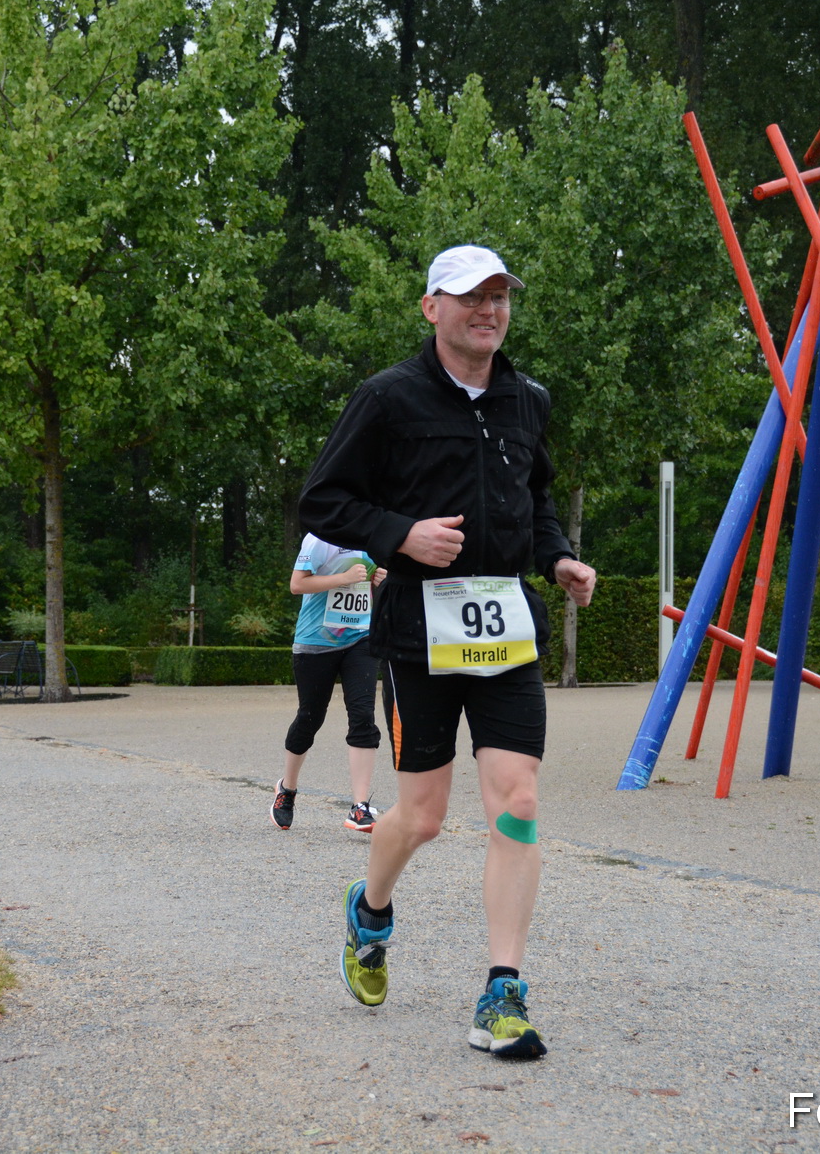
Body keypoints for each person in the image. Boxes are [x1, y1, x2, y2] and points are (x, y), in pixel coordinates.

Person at [299, 244, 597, 1061]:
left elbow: (533, 498)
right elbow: (323, 499)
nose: (488, 311)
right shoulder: (386, 398)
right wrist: (400, 534)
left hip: (506, 630)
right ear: (432, 307)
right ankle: (369, 910)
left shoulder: (528, 400)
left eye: (500, 297)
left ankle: (503, 990)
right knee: (423, 816)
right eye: (471, 297)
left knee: (518, 799)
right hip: (417, 635)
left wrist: (557, 557)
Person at [272, 536, 388, 833]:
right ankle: (287, 789)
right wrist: (344, 577)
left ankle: (360, 807)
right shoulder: (320, 538)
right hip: (316, 641)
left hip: (361, 638)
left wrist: (381, 579)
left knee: (363, 715)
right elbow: (297, 584)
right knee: (310, 717)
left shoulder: (374, 536)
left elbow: (375, 583)